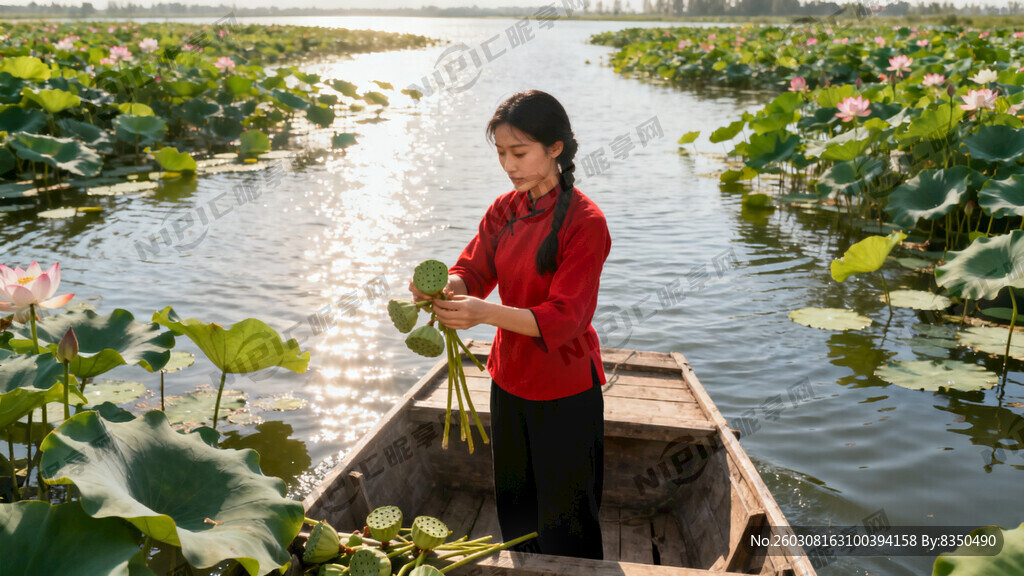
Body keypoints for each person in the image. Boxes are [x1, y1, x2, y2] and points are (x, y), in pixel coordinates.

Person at [407, 90, 611, 560]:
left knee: (568, 524)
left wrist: (483, 313)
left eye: (519, 153)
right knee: (516, 512)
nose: (508, 165)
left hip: (565, 388)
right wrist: (443, 287)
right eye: (501, 153)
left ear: (555, 147)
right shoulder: (505, 209)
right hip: (509, 380)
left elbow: (566, 317)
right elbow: (473, 272)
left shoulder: (586, 222)